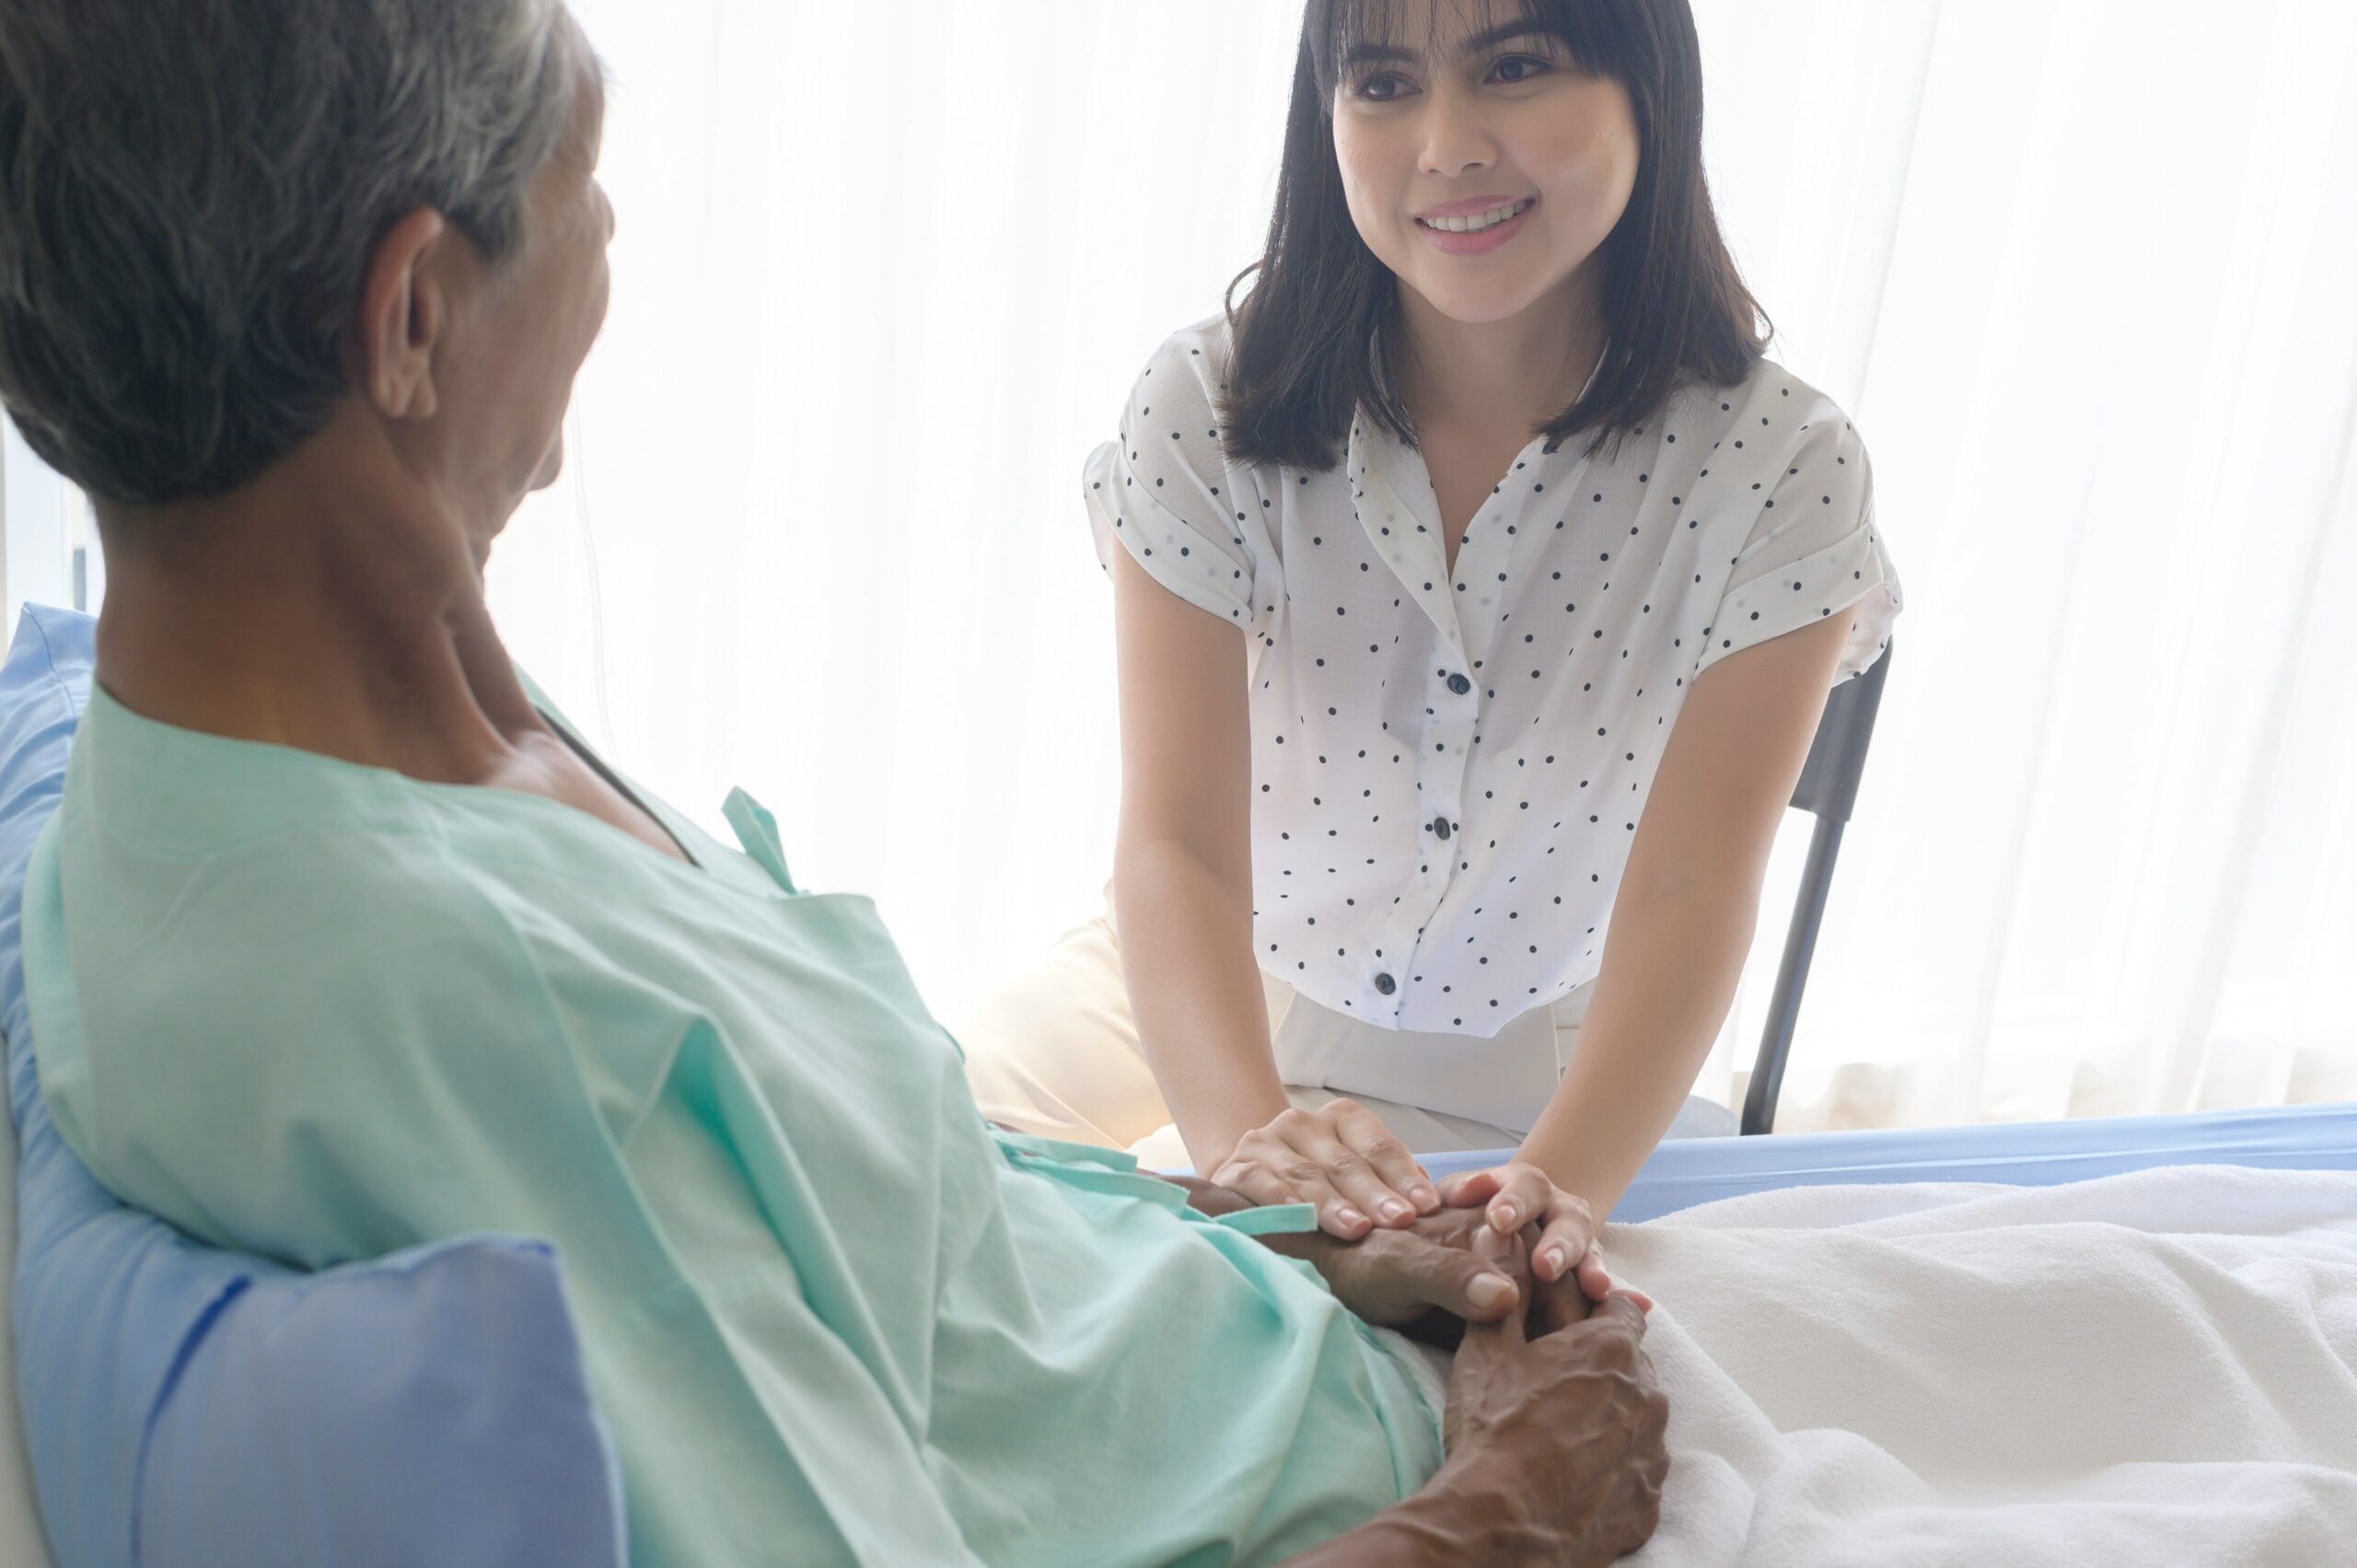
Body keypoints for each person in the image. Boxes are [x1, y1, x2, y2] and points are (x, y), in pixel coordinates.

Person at [0, 1, 1668, 1563]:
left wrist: (1281, 1236)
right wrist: (1521, 1499)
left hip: (1278, 1328)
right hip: (1403, 1488)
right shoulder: (484, 1007)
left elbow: (892, 1237)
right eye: (585, 187)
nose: (607, 248)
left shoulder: (309, 704)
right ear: (416, 316)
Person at [958, 0, 1904, 1298]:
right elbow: (1174, 848)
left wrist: (1553, 1190)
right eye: (1385, 83)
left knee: (1394, 1325)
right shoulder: (1203, 404)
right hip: (1197, 975)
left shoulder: (1781, 465)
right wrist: (1249, 1146)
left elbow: (1689, 895)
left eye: (1515, 67)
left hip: (1534, 1058)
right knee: (914, 1187)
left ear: (1648, 84)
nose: (1447, 144)